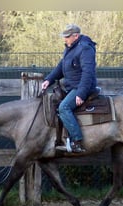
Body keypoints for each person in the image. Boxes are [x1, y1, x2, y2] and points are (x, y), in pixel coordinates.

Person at [41, 24, 98, 153]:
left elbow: (88, 73)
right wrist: (48, 80)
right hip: (72, 87)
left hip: (81, 88)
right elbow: (61, 67)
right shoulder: (70, 48)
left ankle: (77, 141)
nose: (64, 39)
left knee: (64, 107)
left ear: (76, 36)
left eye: (67, 37)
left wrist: (81, 94)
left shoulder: (85, 49)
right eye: (64, 37)